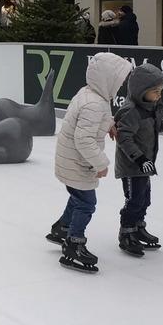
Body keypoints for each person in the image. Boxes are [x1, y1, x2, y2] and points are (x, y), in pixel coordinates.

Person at [46, 52, 132, 273]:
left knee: (78, 197)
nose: (120, 85)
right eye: (118, 80)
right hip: (77, 162)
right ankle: (73, 244)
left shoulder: (90, 94)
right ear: (107, 80)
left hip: (70, 160)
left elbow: (93, 121)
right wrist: (101, 163)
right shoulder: (95, 103)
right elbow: (83, 139)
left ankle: (62, 228)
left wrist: (109, 124)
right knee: (86, 203)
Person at [114, 63, 163, 256]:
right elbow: (123, 137)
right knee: (134, 199)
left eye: (161, 91)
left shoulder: (152, 107)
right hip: (132, 165)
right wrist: (139, 159)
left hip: (146, 164)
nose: (159, 95)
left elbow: (155, 125)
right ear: (140, 91)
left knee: (145, 199)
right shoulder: (130, 111)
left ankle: (138, 226)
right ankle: (126, 231)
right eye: (155, 91)